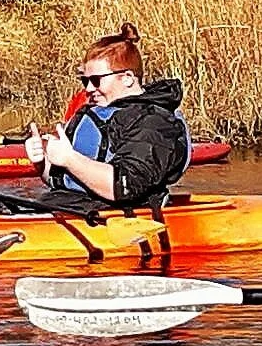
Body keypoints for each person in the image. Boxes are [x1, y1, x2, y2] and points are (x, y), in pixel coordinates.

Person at [10, 23, 190, 213]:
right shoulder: (92, 113)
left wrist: (70, 159)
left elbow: (124, 186)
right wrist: (42, 163)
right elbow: (61, 182)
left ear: (127, 78)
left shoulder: (155, 123)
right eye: (85, 81)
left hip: (116, 216)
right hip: (67, 207)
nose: (88, 89)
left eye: (96, 80)